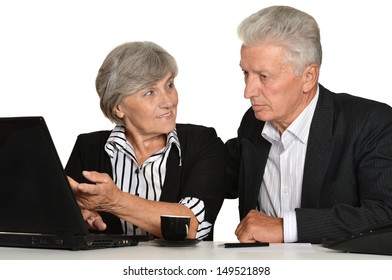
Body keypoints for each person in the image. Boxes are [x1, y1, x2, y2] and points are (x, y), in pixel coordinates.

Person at [225, 5, 392, 244]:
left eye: (263, 76)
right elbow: (211, 172)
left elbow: (386, 213)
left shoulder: (369, 123)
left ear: (308, 77)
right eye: (245, 74)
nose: (248, 91)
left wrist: (287, 228)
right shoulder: (253, 123)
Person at [65, 41, 225, 241]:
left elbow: (191, 226)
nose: (168, 102)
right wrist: (79, 218)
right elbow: (61, 220)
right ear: (118, 107)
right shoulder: (88, 148)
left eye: (169, 85)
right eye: (149, 92)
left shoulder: (203, 142)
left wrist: (114, 201)